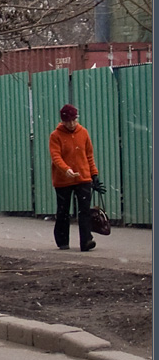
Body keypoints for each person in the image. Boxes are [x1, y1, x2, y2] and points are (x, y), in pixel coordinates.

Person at [49, 104, 106, 251]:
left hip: (83, 177)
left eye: (74, 120)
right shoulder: (55, 136)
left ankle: (86, 241)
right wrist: (65, 169)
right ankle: (62, 240)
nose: (72, 124)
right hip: (63, 180)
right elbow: (56, 156)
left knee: (84, 210)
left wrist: (94, 175)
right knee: (63, 210)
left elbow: (89, 156)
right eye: (68, 121)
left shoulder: (83, 133)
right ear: (62, 121)